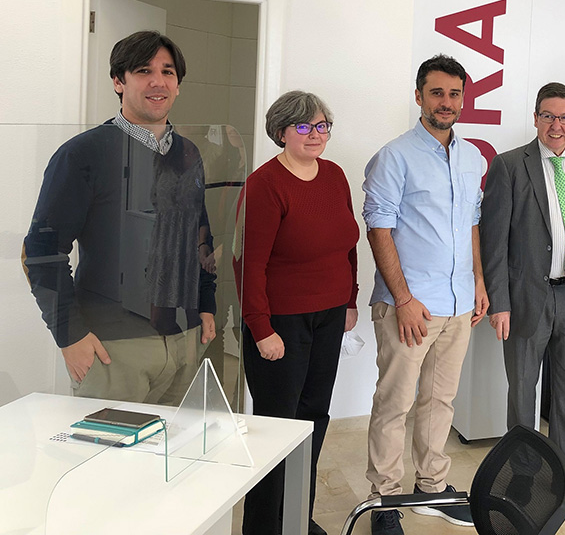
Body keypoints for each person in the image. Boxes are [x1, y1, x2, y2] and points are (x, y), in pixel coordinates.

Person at [23, 30, 216, 405]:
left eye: (168, 72)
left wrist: (206, 302)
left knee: (177, 443)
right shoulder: (82, 154)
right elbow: (42, 250)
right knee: (109, 445)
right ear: (118, 81)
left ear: (178, 85)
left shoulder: (188, 152)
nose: (158, 81)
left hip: (183, 338)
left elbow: (198, 235)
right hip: (114, 346)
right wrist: (69, 335)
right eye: (144, 71)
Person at [362, 54, 489, 535]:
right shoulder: (394, 156)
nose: (446, 102)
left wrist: (478, 282)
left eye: (454, 94)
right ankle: (383, 500)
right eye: (437, 92)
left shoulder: (472, 156)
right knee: (394, 404)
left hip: (458, 303)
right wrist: (403, 299)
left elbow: (472, 223)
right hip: (410, 307)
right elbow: (378, 229)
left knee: (440, 402)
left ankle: (432, 488)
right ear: (419, 96)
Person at [480, 82, 565, 510]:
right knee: (523, 389)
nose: (557, 125)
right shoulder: (509, 166)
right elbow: (493, 242)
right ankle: (522, 473)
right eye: (548, 116)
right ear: (536, 118)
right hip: (525, 297)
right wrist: (499, 302)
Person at [235, 91, 359, 535]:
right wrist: (260, 328)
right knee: (276, 426)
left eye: (322, 125)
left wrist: (349, 300)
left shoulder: (335, 176)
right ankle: (264, 527)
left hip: (329, 315)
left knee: (313, 418)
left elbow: (348, 243)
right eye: (303, 126)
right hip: (280, 322)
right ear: (281, 131)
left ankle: (296, 519)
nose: (315, 134)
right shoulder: (264, 185)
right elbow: (248, 264)